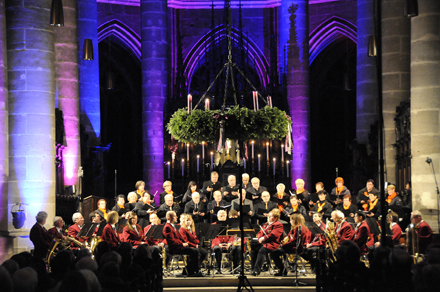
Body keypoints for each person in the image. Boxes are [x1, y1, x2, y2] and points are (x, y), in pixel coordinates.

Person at [162, 211, 201, 276]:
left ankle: (191, 270)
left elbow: (179, 237)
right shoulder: (167, 227)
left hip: (178, 246)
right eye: (174, 216)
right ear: (169, 218)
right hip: (174, 248)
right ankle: (191, 272)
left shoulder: (172, 226)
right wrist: (182, 244)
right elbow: (172, 240)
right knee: (194, 251)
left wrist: (184, 242)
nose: (176, 217)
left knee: (195, 251)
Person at [250, 209, 283, 276]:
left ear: (275, 218)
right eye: (268, 216)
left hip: (273, 243)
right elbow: (260, 233)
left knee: (262, 250)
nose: (268, 218)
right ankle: (253, 268)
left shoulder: (278, 224)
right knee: (253, 249)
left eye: (270, 216)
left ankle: (257, 270)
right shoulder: (265, 224)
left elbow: (274, 235)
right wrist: (260, 239)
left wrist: (264, 238)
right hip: (264, 243)